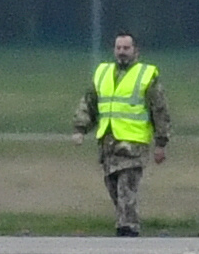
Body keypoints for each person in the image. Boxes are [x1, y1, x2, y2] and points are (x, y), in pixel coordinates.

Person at [72, 32, 170, 237]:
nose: (122, 52)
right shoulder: (102, 73)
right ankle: (125, 222)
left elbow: (159, 110)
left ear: (136, 50)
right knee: (113, 185)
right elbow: (89, 102)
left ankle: (128, 228)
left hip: (133, 143)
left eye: (126, 48)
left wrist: (161, 142)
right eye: (119, 48)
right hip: (108, 142)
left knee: (127, 187)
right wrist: (80, 129)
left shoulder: (146, 75)